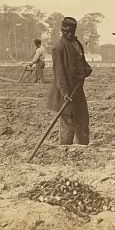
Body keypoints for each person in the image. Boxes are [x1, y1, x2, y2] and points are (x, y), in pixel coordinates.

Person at [47, 17, 93, 145]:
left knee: (83, 119)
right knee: (68, 121)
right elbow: (59, 73)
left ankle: (83, 148)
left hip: (77, 89)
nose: (69, 34)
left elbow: (82, 62)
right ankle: (65, 150)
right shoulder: (59, 47)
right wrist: (65, 93)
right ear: (62, 30)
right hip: (66, 92)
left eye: (72, 31)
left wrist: (86, 69)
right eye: (66, 31)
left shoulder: (77, 44)